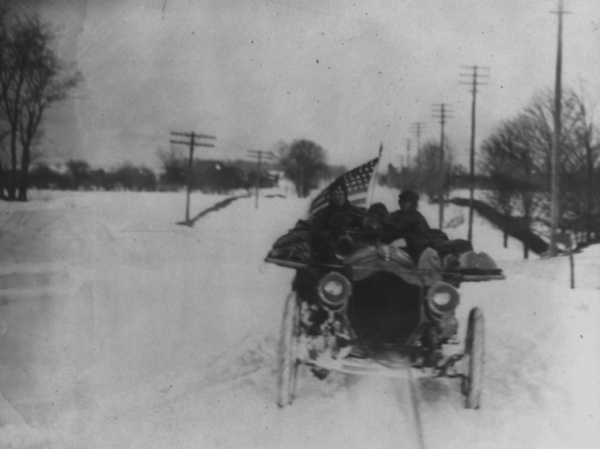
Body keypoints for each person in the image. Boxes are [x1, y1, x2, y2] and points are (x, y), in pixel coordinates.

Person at [309, 182, 365, 262]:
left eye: (340, 194)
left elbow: (364, 228)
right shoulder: (323, 214)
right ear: (330, 196)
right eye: (334, 194)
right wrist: (333, 233)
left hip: (354, 247)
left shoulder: (355, 211)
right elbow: (316, 232)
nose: (338, 197)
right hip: (332, 251)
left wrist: (353, 234)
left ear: (345, 195)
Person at [382, 190, 433, 262]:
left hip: (407, 253)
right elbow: (384, 229)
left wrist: (406, 241)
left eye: (407, 202)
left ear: (413, 203)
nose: (404, 204)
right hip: (387, 249)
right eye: (402, 201)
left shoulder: (417, 218)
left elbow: (425, 238)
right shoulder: (393, 215)